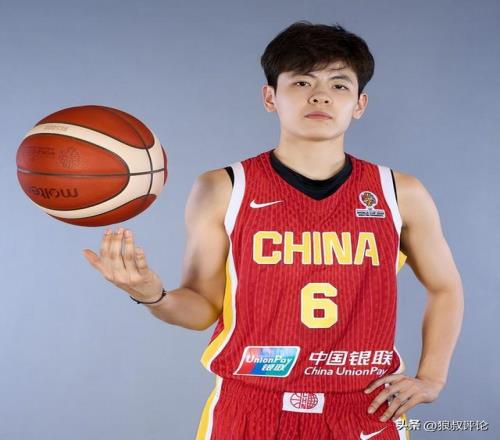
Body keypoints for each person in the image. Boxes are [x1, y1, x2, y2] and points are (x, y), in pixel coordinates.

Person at [83, 21, 464, 440]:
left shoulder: (399, 193)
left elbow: (445, 287)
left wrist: (432, 378)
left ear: (359, 104)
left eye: (339, 85)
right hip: (250, 407)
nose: (320, 95)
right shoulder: (223, 188)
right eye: (302, 81)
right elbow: (202, 307)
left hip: (365, 408)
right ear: (270, 97)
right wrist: (151, 295)